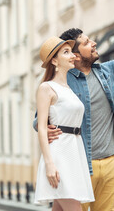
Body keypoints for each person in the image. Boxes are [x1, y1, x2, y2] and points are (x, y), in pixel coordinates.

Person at [34, 3, 114, 211]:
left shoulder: (107, 72)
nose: (94, 43)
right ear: (75, 55)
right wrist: (43, 127)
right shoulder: (64, 82)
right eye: (87, 43)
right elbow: (42, 117)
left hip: (110, 160)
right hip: (80, 163)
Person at [33, 37, 94, 211]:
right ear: (54, 60)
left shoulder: (69, 89)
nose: (72, 56)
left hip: (74, 152)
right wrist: (49, 163)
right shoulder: (47, 88)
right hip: (59, 156)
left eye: (71, 52)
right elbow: (42, 128)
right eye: (66, 52)